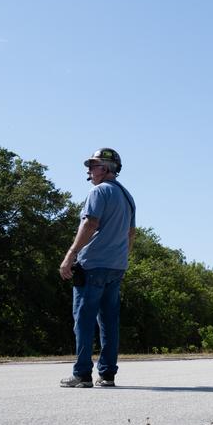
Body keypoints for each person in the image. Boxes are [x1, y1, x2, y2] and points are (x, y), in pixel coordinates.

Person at [59, 148, 136, 388]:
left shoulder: (99, 191)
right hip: (116, 267)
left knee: (83, 319)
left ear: (105, 168)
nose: (89, 170)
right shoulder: (127, 196)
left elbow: (90, 223)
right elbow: (131, 233)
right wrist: (122, 258)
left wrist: (71, 254)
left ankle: (82, 374)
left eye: (93, 165)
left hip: (92, 265)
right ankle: (107, 374)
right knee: (109, 322)